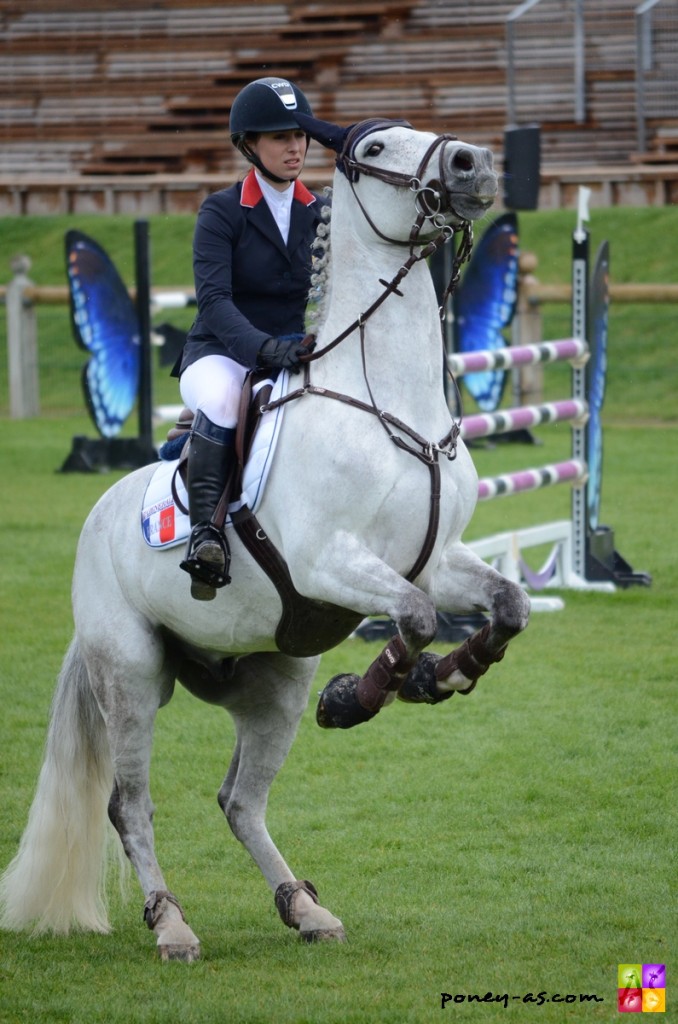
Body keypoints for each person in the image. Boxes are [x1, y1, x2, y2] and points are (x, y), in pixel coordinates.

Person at [172, 77, 326, 600]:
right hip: (221, 352)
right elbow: (214, 303)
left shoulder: (322, 211)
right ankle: (206, 536)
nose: (296, 147)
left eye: (301, 135)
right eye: (281, 137)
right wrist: (264, 349)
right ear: (249, 145)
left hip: (293, 351)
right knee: (220, 399)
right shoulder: (221, 211)